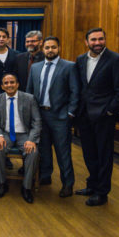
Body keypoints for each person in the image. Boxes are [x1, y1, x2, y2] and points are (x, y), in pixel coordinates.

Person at [75, 28, 119, 206]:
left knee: (104, 155)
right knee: (89, 153)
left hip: (104, 117)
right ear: (87, 42)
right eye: (93, 40)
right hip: (84, 116)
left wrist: (110, 111)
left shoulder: (116, 60)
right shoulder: (80, 60)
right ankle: (92, 185)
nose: (97, 43)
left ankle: (102, 192)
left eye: (100, 39)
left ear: (105, 40)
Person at [27, 36, 79, 197]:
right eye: (47, 47)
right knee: (43, 149)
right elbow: (29, 91)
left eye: (53, 47)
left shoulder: (69, 66)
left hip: (60, 117)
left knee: (63, 152)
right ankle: (45, 176)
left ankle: (67, 184)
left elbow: (75, 92)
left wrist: (70, 113)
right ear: (43, 49)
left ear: (59, 48)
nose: (50, 50)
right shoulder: (35, 67)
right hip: (40, 115)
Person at [0, 73, 41, 203]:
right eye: (6, 83)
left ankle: (26, 187)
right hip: (5, 134)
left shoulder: (29, 99)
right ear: (2, 86)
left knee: (33, 152)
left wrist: (31, 140)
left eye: (12, 82)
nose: (9, 85)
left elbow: (37, 121)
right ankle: (2, 183)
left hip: (24, 135)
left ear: (17, 84)